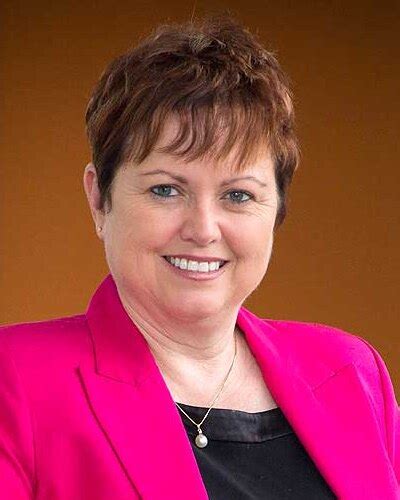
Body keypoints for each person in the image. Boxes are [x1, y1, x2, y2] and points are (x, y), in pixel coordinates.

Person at [0, 15, 399, 500]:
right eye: (166, 190)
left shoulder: (353, 374)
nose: (203, 229)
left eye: (238, 195)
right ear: (99, 199)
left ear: (277, 209)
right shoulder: (16, 382)